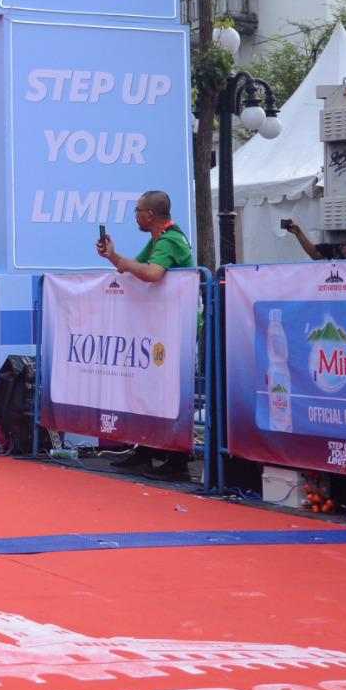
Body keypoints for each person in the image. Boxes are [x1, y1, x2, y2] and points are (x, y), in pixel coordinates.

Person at [97, 190, 196, 479]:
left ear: (150, 215)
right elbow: (134, 268)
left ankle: (177, 462)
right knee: (154, 389)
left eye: (137, 211)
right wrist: (113, 256)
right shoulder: (157, 240)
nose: (135, 216)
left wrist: (124, 263)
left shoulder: (170, 240)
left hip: (180, 325)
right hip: (162, 327)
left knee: (172, 391)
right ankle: (146, 452)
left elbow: (152, 273)